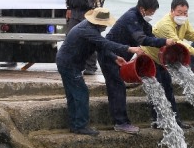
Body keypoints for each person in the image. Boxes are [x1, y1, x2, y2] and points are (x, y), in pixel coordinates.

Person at [56, 8, 143, 136]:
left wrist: (115, 58)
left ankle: (75, 125)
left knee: (73, 94)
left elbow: (100, 46)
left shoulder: (90, 28)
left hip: (66, 62)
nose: (105, 26)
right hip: (69, 64)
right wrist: (129, 49)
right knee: (81, 93)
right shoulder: (88, 31)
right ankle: (80, 126)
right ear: (99, 23)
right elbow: (106, 43)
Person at [101, 0, 175, 134]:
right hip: (109, 55)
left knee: (119, 87)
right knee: (117, 88)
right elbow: (142, 39)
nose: (152, 14)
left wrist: (165, 48)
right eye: (151, 11)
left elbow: (151, 36)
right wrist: (164, 41)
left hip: (122, 56)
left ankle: (152, 120)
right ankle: (120, 123)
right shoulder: (131, 18)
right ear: (142, 9)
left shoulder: (141, 19)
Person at [142, 0, 194, 129]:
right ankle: (158, 121)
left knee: (168, 89)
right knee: (156, 90)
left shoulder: (184, 21)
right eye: (179, 12)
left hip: (163, 60)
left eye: (185, 12)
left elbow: (190, 33)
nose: (183, 15)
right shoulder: (165, 24)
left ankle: (176, 120)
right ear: (172, 11)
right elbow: (177, 43)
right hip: (150, 58)